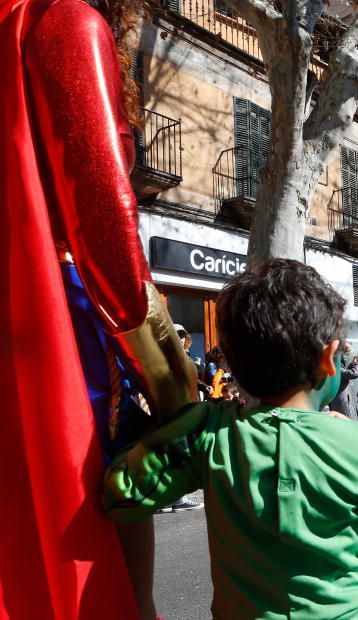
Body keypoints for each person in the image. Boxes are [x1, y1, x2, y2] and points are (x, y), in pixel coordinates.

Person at [1, 2, 201, 616]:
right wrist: (169, 367)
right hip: (60, 309)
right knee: (102, 485)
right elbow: (102, 215)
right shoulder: (64, 22)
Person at [103, 258, 358, 618]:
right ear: (330, 359)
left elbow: (123, 493)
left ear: (233, 366)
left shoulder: (206, 433)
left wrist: (162, 417)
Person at [330, 343, 358, 423]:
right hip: (342, 404)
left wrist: (352, 365)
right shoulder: (335, 367)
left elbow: (345, 373)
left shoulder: (338, 365)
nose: (349, 354)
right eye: (347, 351)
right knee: (348, 422)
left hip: (345, 401)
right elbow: (353, 374)